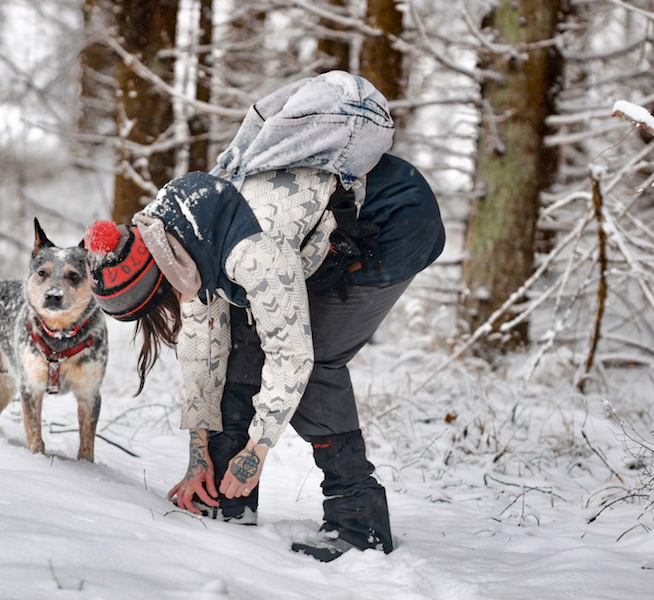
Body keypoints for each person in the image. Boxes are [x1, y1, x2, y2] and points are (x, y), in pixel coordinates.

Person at [82, 71, 445, 561]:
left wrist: (256, 450)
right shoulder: (173, 234)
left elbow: (292, 355)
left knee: (316, 362)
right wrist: (198, 456)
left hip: (396, 222)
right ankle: (226, 499)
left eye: (152, 310)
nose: (165, 315)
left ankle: (360, 522)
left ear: (158, 286)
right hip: (322, 227)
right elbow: (203, 348)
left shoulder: (253, 250)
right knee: (239, 337)